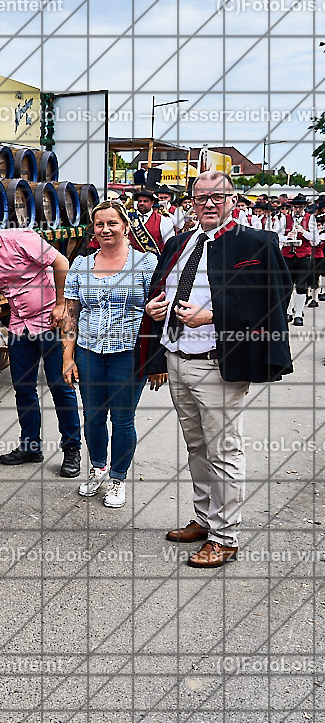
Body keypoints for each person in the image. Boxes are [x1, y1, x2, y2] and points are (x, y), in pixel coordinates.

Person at [136, 171, 292, 568]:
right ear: (191, 200)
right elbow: (166, 288)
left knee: (223, 451)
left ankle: (226, 536)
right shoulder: (179, 242)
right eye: (202, 196)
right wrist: (158, 306)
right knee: (197, 448)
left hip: (217, 363)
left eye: (218, 197)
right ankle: (205, 519)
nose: (209, 203)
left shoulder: (255, 242)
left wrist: (213, 316)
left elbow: (274, 298)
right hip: (176, 358)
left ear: (232, 200)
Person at [0, 210, 82, 477]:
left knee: (60, 386)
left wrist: (61, 304)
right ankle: (30, 446)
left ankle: (72, 449)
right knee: (23, 389)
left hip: (50, 323)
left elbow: (61, 263)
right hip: (19, 327)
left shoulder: (19, 239)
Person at [62, 201, 161, 508]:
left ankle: (118, 478)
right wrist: (68, 357)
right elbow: (70, 313)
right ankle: (98, 468)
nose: (105, 229)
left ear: (125, 227)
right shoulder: (81, 265)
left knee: (122, 419)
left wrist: (157, 361)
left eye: (112, 223)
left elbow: (159, 315)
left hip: (128, 353)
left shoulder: (146, 264)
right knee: (92, 417)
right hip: (88, 351)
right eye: (100, 224)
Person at [279, 194, 320, 326]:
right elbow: (275, 235)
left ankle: (298, 314)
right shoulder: (284, 218)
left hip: (303, 257)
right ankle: (288, 312)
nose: (297, 209)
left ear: (304, 207)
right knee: (287, 286)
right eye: (295, 207)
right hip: (287, 256)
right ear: (291, 207)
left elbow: (316, 241)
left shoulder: (311, 219)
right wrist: (287, 237)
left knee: (301, 286)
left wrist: (303, 232)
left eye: (300, 207)